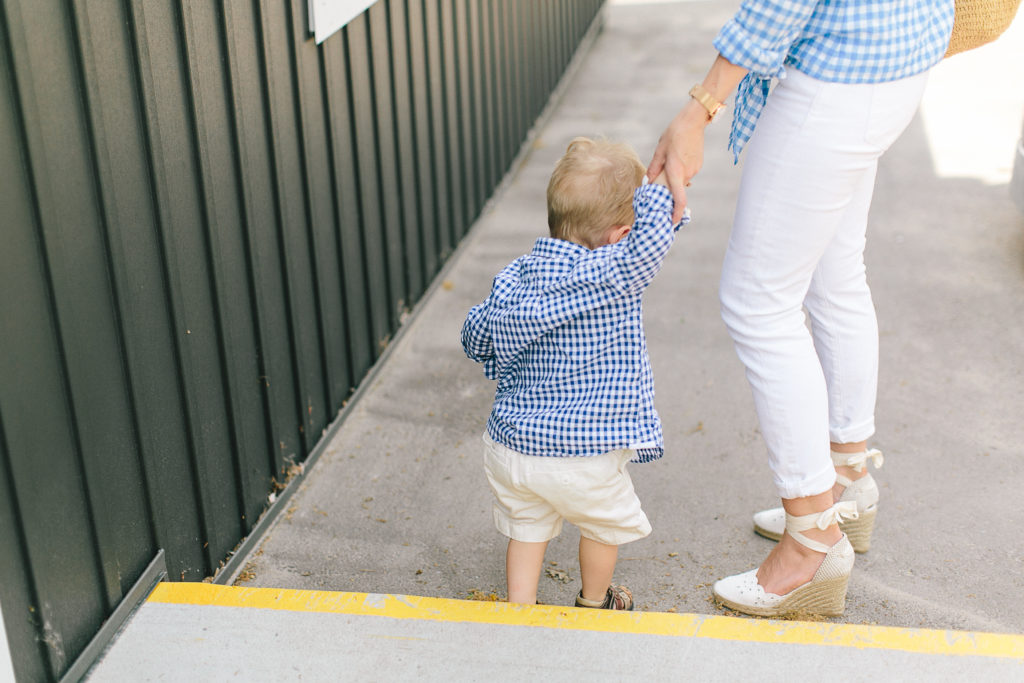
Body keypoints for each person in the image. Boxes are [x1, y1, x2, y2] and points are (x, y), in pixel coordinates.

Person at [646, 0, 955, 617]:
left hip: (834, 79)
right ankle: (846, 482)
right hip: (895, 58)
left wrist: (702, 104)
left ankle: (813, 537)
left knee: (758, 301)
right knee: (835, 273)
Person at [462, 137, 688, 609]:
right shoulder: (614, 274)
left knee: (527, 528)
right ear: (619, 235)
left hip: (513, 447)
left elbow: (475, 336)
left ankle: (519, 606)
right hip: (583, 453)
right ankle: (594, 599)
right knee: (603, 526)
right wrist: (662, 184)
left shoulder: (517, 276)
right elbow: (651, 240)